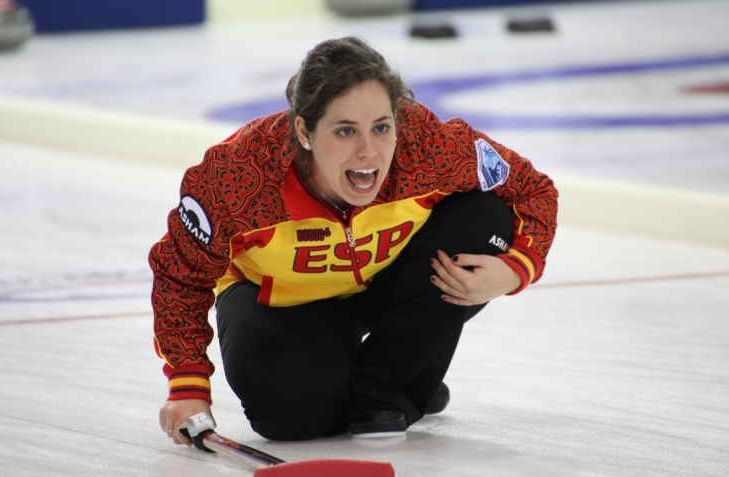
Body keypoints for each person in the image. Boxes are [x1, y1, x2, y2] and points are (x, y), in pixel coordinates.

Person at [151, 36, 558, 444]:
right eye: (345, 131)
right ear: (304, 131)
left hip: (384, 283)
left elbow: (532, 189)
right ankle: (387, 367)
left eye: (381, 128)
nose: (369, 152)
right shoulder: (238, 174)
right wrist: (187, 384)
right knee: (289, 416)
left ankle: (388, 385)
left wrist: (514, 270)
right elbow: (180, 274)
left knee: (483, 215)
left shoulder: (426, 144)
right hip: (279, 300)